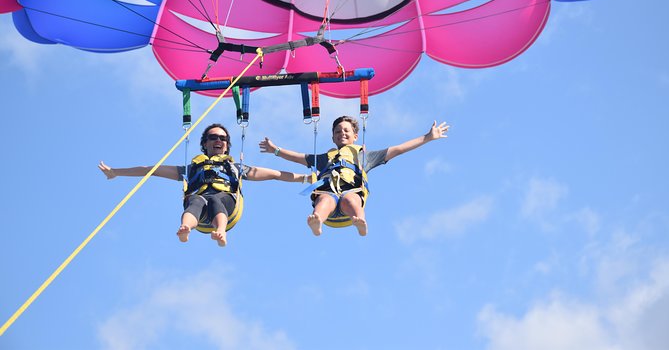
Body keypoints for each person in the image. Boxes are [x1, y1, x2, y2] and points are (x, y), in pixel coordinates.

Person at [99, 123, 307, 247]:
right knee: (197, 199)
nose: (219, 140)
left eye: (223, 138)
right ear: (205, 143)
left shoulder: (236, 168)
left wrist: (306, 178)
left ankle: (221, 232)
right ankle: (185, 228)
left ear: (227, 145)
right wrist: (116, 172)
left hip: (226, 204)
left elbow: (276, 175)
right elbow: (151, 169)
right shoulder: (191, 170)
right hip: (199, 210)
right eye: (213, 137)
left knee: (216, 199)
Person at [259, 115, 449, 237]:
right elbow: (298, 158)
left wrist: (428, 137)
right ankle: (317, 220)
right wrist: (275, 150)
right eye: (338, 131)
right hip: (330, 193)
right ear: (333, 138)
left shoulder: (364, 156)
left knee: (350, 199)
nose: (342, 133)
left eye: (346, 130)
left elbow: (398, 149)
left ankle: (359, 220)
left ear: (355, 136)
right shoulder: (326, 158)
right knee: (324, 199)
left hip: (352, 192)